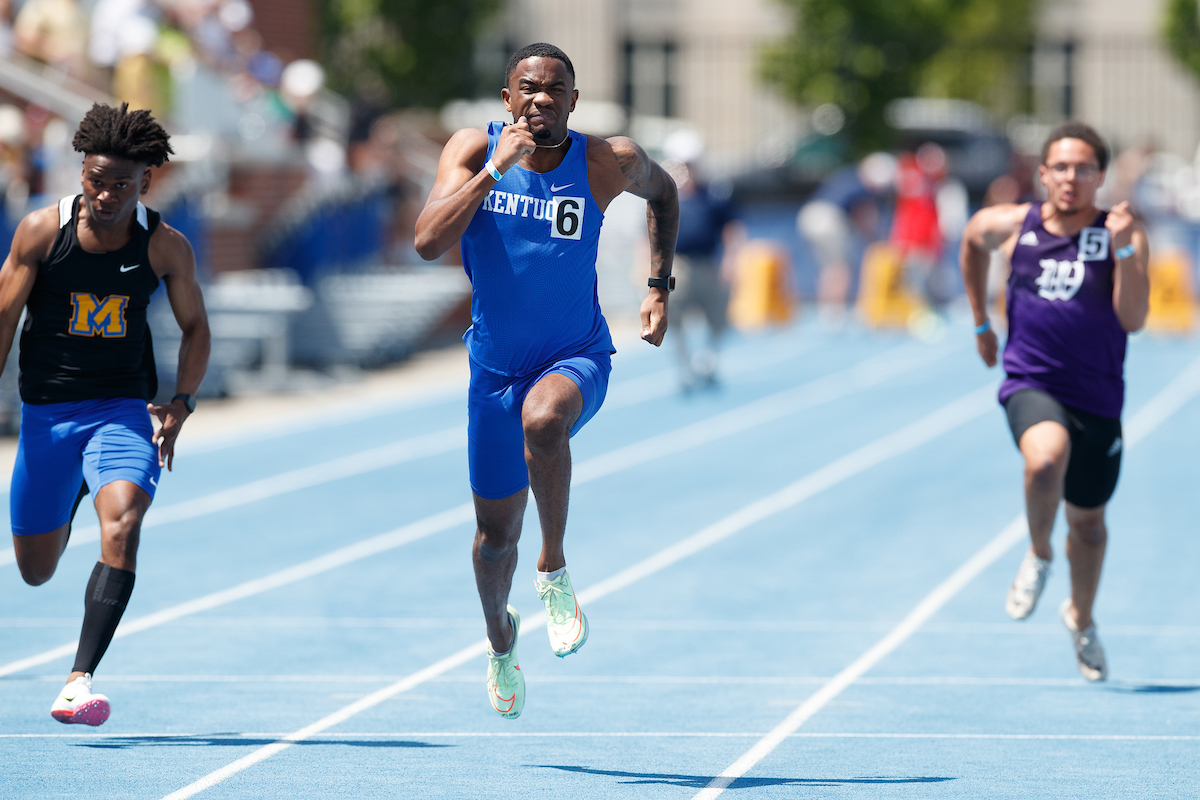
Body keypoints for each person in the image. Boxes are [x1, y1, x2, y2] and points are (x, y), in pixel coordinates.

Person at [414, 42, 678, 719]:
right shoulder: (476, 150)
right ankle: (501, 640)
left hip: (576, 355)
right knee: (491, 540)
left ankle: (553, 571)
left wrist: (657, 287)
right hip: (493, 373)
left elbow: (665, 192)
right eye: (527, 88)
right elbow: (426, 241)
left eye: (554, 89)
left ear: (572, 101)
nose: (540, 99)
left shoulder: (603, 161)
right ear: (507, 99)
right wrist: (491, 175)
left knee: (545, 420)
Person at [0, 102, 211, 723]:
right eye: (96, 179)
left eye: (122, 183)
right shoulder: (42, 232)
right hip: (46, 413)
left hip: (123, 409)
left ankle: (78, 678)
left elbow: (196, 328)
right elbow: (5, 320)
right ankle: (66, 493)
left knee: (122, 522)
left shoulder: (165, 246)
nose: (106, 194)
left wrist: (181, 402)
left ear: (146, 181)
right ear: (81, 172)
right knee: (36, 570)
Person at [960, 121, 1149, 682]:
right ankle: (1039, 553)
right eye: (1060, 167)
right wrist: (979, 322)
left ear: (1100, 176)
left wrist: (1126, 250)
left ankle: (1081, 617)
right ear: (1042, 174)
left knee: (1089, 525)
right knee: (1044, 460)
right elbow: (971, 238)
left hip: (1098, 395)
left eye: (1083, 167)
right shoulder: (1013, 225)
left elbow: (1133, 319)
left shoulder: (1120, 231)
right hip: (1031, 381)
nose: (1071, 177)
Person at [661, 129, 738, 390]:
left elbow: (730, 228)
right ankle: (684, 368)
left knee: (717, 316)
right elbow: (650, 233)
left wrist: (731, 259)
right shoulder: (665, 195)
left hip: (707, 263)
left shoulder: (715, 193)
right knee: (675, 317)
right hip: (677, 265)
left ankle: (709, 360)